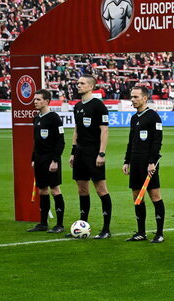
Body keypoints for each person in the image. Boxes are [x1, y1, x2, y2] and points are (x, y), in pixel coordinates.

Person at [69, 75, 112, 238]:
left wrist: (101, 153)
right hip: (80, 153)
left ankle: (106, 229)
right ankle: (82, 226)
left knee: (101, 190)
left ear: (91, 86)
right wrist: (73, 152)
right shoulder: (78, 106)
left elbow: (104, 131)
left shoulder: (99, 106)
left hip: (94, 153)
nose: (78, 85)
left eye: (82, 83)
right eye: (78, 83)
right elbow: (76, 130)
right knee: (82, 190)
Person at [122, 85, 165, 243]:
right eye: (131, 97)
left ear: (145, 98)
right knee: (137, 196)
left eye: (135, 97)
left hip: (149, 164)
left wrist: (152, 162)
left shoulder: (153, 117)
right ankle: (141, 232)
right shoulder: (134, 118)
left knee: (155, 196)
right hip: (136, 162)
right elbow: (131, 141)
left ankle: (159, 233)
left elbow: (157, 141)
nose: (132, 100)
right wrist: (127, 161)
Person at [29, 89, 65, 233]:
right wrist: (33, 158)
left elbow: (61, 141)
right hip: (39, 159)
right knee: (42, 190)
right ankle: (43, 223)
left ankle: (60, 224)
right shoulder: (36, 118)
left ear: (47, 101)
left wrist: (55, 160)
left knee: (55, 189)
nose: (35, 102)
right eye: (34, 99)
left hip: (51, 160)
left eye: (38, 99)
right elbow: (36, 141)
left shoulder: (54, 118)